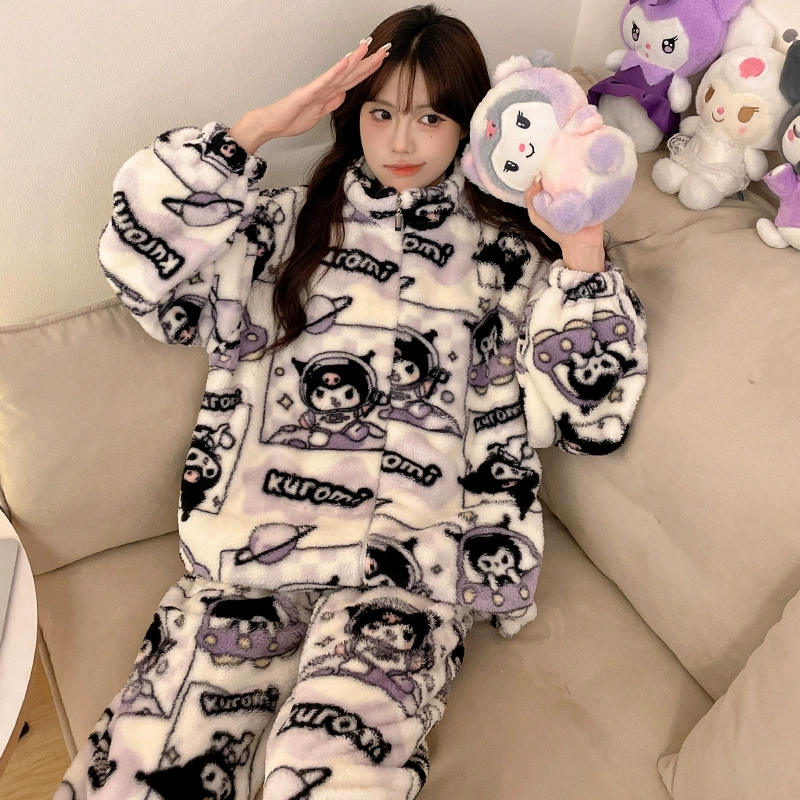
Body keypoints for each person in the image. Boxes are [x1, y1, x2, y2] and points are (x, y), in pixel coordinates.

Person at [55, 5, 648, 799]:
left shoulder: (508, 259)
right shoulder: (284, 230)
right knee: (141, 774)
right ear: (352, 115)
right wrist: (256, 131)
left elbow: (588, 418)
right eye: (381, 113)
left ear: (468, 126)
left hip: (410, 577)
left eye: (430, 117)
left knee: (332, 776)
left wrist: (580, 244)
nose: (402, 141)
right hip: (248, 564)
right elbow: (140, 272)